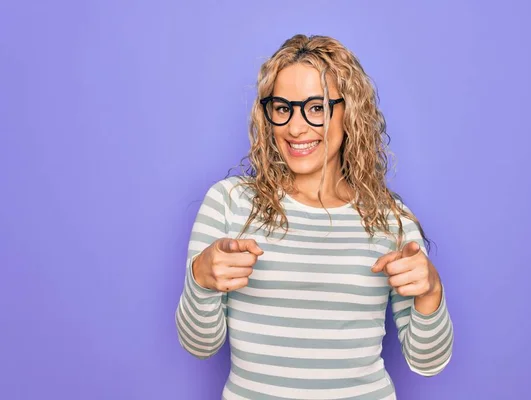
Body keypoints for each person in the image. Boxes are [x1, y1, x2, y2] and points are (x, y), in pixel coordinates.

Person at [175, 34, 453, 400]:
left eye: (317, 107)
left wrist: (431, 290)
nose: (295, 127)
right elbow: (200, 345)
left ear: (348, 112)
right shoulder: (229, 202)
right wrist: (201, 279)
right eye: (282, 108)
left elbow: (427, 361)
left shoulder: (389, 219)